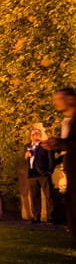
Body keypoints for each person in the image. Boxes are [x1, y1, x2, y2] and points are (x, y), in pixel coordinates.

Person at [41, 88, 76, 244]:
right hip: (72, 172)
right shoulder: (67, 120)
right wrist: (56, 146)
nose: (55, 102)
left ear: (70, 99)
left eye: (58, 99)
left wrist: (60, 143)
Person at [24, 128, 54, 223]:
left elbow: (51, 159)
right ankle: (36, 216)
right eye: (32, 134)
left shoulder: (45, 145)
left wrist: (50, 171)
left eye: (36, 133)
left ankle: (51, 217)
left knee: (48, 196)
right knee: (34, 196)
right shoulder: (28, 146)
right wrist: (26, 156)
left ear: (40, 135)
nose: (34, 135)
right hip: (32, 173)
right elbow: (25, 160)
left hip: (43, 173)